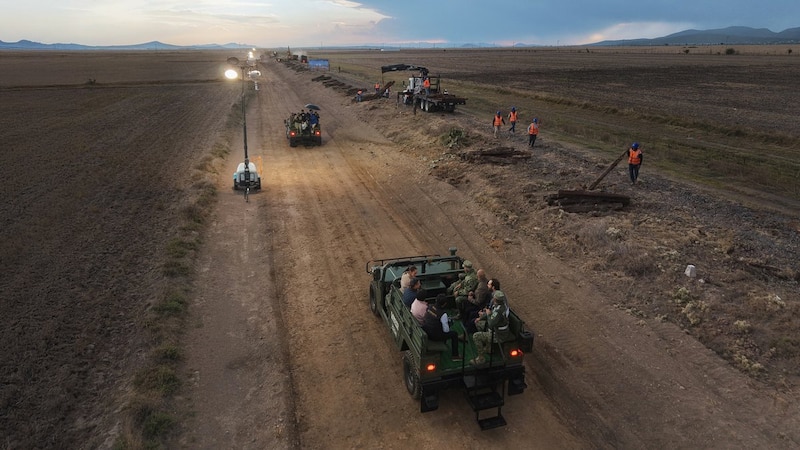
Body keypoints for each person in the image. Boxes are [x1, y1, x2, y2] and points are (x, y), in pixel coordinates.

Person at [471, 290, 511, 365]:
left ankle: (481, 358)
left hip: (498, 335)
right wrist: (481, 318)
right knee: (479, 323)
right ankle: (488, 347)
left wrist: (488, 314)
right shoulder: (499, 305)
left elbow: (491, 323)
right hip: (496, 330)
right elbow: (491, 313)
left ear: (495, 299)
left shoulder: (499, 310)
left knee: (476, 336)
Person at [422, 294, 463, 360]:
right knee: (454, 334)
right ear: (444, 304)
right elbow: (446, 330)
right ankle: (455, 355)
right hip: (435, 336)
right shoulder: (443, 314)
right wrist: (449, 323)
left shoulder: (430, 306)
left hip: (426, 331)